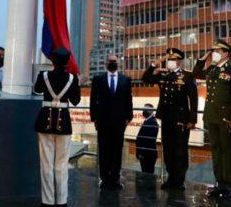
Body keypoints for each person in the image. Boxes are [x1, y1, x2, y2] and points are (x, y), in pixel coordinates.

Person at [193, 39, 231, 199]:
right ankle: (219, 183)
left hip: (226, 118)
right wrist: (203, 59)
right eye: (213, 50)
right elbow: (195, 74)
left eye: (217, 51)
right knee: (215, 150)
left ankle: (229, 186)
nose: (214, 53)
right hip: (211, 116)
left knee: (227, 152)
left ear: (226, 53)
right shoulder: (212, 68)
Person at [142, 47, 198, 190]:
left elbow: (193, 99)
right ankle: (170, 178)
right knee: (168, 150)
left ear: (179, 61)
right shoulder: (164, 76)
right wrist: (155, 64)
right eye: (169, 59)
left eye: (172, 60)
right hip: (166, 118)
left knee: (180, 150)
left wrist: (192, 120)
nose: (170, 62)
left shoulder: (187, 76)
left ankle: (179, 181)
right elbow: (145, 78)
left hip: (181, 118)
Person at [33, 47, 81, 207]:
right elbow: (75, 101)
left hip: (45, 122)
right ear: (67, 62)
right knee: (61, 165)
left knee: (46, 164)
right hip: (64, 123)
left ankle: (47, 201)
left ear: (53, 61)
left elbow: (37, 89)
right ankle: (61, 201)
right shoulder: (72, 79)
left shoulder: (43, 75)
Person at [90, 54, 133, 189]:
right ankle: (104, 178)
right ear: (106, 63)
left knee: (117, 151)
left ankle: (115, 179)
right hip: (102, 122)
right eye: (110, 61)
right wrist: (94, 118)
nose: (113, 63)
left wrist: (128, 118)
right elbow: (93, 101)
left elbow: (128, 101)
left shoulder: (126, 80)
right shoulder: (98, 79)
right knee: (103, 150)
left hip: (120, 122)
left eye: (115, 61)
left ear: (118, 63)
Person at [136, 103, 159, 174]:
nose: (144, 111)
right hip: (146, 154)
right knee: (145, 172)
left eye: (146, 109)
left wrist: (141, 153)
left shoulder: (152, 122)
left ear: (151, 111)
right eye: (144, 109)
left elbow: (148, 140)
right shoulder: (148, 120)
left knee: (147, 174)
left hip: (148, 155)